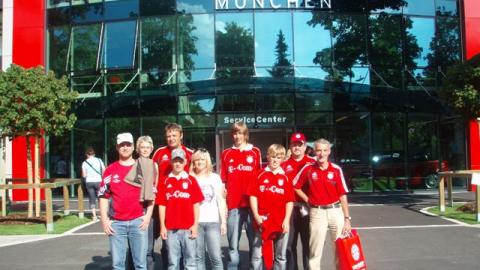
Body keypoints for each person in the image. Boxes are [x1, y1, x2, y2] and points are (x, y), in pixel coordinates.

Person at [293, 138, 352, 270]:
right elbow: (295, 186)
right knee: (315, 251)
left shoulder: (336, 169)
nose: (321, 153)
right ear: (314, 151)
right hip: (317, 213)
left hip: (336, 211)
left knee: (340, 250)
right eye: (318, 150)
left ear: (329, 151)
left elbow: (343, 196)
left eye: (325, 150)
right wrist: (308, 200)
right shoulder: (308, 168)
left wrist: (347, 219)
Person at [98, 132, 152, 270]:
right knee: (118, 266)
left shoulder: (143, 167)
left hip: (138, 222)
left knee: (140, 265)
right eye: (122, 145)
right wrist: (104, 220)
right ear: (117, 147)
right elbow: (104, 196)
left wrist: (147, 217)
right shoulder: (110, 170)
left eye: (128, 144)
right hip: (117, 224)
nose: (125, 147)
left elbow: (151, 196)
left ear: (133, 147)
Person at [220, 121, 262, 270]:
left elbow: (260, 179)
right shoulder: (226, 154)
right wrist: (224, 204)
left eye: (240, 133)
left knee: (254, 243)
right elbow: (223, 182)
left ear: (245, 135)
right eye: (235, 133)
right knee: (233, 245)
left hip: (252, 205)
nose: (237, 136)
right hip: (234, 206)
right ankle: (233, 267)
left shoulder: (255, 152)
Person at [152, 123, 194, 270]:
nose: (171, 138)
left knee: (186, 245)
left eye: (174, 135)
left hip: (183, 206)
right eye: (168, 135)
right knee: (166, 243)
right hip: (163, 204)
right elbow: (152, 175)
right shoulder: (159, 153)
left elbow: (195, 178)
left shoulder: (190, 153)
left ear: (181, 135)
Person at [248, 144, 294, 270]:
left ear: (283, 159)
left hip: (280, 221)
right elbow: (253, 196)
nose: (275, 160)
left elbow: (289, 201)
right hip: (262, 220)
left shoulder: (286, 178)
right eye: (273, 156)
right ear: (267, 156)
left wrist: (286, 220)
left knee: (281, 256)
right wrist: (256, 216)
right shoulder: (258, 175)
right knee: (257, 255)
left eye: (279, 157)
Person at [158, 148, 204, 270]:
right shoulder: (165, 181)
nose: (178, 164)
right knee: (173, 263)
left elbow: (196, 204)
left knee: (191, 263)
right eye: (175, 161)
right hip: (171, 229)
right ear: (171, 162)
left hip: (188, 228)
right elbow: (162, 205)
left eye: (180, 161)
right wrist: (163, 226)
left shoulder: (191, 180)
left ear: (185, 162)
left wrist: (195, 225)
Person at [281, 133, 316, 270]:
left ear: (305, 146)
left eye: (299, 145)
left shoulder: (312, 163)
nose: (296, 147)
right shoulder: (284, 165)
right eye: (294, 145)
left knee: (308, 244)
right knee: (289, 245)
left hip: (308, 208)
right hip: (290, 210)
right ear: (290, 146)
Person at [190, 148, 227, 270]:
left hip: (212, 222)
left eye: (202, 159)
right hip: (195, 223)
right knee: (198, 257)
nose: (199, 162)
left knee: (216, 257)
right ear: (193, 162)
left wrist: (223, 222)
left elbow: (221, 200)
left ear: (207, 161)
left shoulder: (215, 178)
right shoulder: (190, 178)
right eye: (197, 160)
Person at [126, 136, 158, 270]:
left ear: (151, 149)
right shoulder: (133, 164)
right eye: (142, 147)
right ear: (137, 149)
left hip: (149, 208)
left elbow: (156, 186)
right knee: (134, 248)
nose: (145, 150)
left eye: (147, 147)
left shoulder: (154, 164)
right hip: (135, 209)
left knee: (148, 248)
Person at [81, 147, 105, 221]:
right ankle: (102, 214)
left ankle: (94, 216)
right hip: (98, 181)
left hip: (89, 181)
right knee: (101, 198)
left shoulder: (84, 163)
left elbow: (84, 175)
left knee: (92, 198)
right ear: (94, 154)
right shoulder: (99, 160)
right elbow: (104, 170)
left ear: (87, 155)